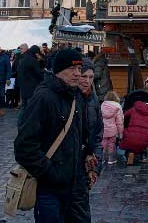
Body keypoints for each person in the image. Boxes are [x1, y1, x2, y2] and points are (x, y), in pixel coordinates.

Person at [15, 48, 93, 222]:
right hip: (49, 190)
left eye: (79, 69)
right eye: (71, 69)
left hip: (75, 187)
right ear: (58, 71)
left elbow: (82, 136)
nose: (77, 74)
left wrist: (87, 156)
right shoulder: (43, 98)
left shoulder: (77, 97)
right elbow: (24, 147)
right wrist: (50, 172)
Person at [78, 59, 104, 182]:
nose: (87, 81)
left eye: (91, 77)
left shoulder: (93, 99)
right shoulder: (70, 98)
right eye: (84, 76)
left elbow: (98, 135)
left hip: (88, 165)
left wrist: (95, 167)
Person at [120, 89, 148, 166]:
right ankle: (143, 155)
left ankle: (129, 152)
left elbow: (124, 116)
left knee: (129, 140)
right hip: (145, 137)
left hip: (131, 134)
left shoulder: (134, 108)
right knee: (142, 142)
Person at [100, 91, 123, 165]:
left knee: (103, 143)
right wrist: (120, 133)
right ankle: (111, 159)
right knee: (111, 144)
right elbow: (119, 122)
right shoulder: (117, 106)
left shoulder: (102, 105)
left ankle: (102, 159)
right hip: (113, 130)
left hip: (103, 129)